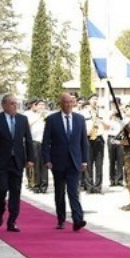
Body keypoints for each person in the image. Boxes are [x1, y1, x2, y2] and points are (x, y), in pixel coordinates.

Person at [0, 94, 35, 232]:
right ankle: (0, 210)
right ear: (4, 105)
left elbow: (28, 140)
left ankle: (12, 220)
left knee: (15, 191)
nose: (15, 106)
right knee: (1, 188)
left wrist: (30, 159)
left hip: (17, 161)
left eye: (16, 103)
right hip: (1, 161)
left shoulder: (22, 120)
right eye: (12, 103)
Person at [42, 92, 89, 231]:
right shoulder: (52, 119)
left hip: (74, 161)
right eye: (65, 102)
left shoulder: (80, 119)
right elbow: (46, 142)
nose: (68, 105)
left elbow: (83, 142)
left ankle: (77, 219)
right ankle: (61, 218)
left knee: (74, 191)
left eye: (70, 102)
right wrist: (47, 159)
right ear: (60, 104)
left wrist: (85, 160)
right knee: (60, 192)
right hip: (58, 161)